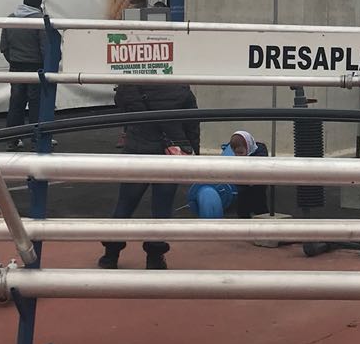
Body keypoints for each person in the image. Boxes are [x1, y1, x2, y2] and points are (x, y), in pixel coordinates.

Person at [97, 77, 201, 270]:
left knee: (125, 203)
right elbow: (192, 122)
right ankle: (155, 257)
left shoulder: (130, 85)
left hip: (137, 149)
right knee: (162, 208)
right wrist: (193, 149)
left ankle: (110, 254)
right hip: (170, 150)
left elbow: (121, 104)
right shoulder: (180, 87)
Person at [188, 130, 269, 219]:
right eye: (236, 153)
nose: (239, 156)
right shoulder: (237, 157)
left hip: (258, 188)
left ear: (249, 147)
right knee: (242, 210)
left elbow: (261, 162)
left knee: (260, 208)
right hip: (243, 188)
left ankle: (264, 227)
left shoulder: (259, 152)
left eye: (241, 153)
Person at [0, 0, 46, 143]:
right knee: (36, 104)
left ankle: (12, 139)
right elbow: (45, 48)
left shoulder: (10, 19)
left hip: (15, 66)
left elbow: (4, 47)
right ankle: (37, 139)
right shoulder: (40, 20)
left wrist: (13, 60)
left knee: (16, 103)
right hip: (36, 68)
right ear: (39, 3)